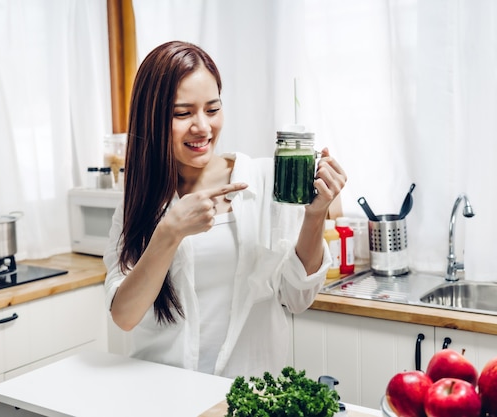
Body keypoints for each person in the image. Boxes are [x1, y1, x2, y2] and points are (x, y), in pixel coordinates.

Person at [103, 40, 347, 378]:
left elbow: (297, 297)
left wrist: (316, 214)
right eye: (182, 113)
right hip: (162, 392)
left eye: (213, 109)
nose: (202, 126)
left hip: (248, 393)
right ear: (151, 119)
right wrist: (169, 232)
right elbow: (125, 316)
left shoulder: (265, 182)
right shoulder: (138, 202)